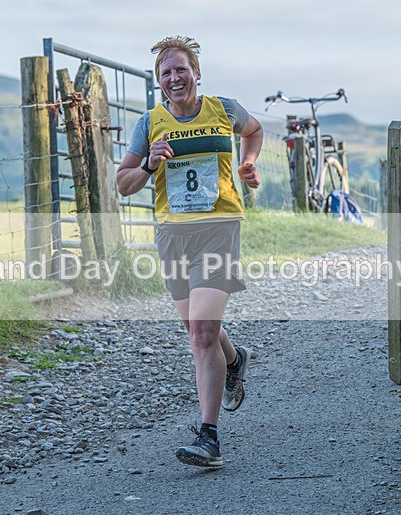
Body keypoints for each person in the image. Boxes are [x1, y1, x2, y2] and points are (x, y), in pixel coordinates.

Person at [116, 36, 263, 468]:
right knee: (198, 330)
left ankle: (209, 436)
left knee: (201, 330)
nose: (175, 78)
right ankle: (234, 360)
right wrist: (148, 165)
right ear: (159, 83)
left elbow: (254, 130)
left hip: (219, 229)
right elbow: (122, 183)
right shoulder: (150, 124)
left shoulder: (224, 110)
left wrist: (247, 163)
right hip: (173, 236)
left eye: (182, 69)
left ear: (197, 73)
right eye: (166, 73)